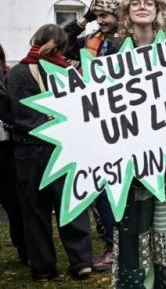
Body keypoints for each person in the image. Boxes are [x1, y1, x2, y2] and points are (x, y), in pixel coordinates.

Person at [6, 25, 93, 281]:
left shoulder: (18, 73)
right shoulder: (68, 73)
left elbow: (10, 110)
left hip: (27, 149)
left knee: (34, 211)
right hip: (63, 145)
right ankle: (81, 262)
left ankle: (43, 268)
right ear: (63, 46)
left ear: (35, 40)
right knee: (71, 204)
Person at [112, 0, 166, 288]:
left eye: (149, 3)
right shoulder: (112, 51)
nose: (142, 7)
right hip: (128, 166)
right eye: (135, 3)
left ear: (158, 10)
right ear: (128, 12)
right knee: (131, 233)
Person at [63, 0, 122, 271]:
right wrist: (84, 19)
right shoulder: (91, 39)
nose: (101, 20)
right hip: (94, 122)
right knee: (100, 186)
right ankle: (112, 241)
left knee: (119, 187)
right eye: (97, 16)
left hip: (123, 124)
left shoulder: (128, 40)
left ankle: (120, 243)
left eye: (105, 15)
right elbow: (58, 43)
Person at [0, 43, 27, 267]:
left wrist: (12, 121)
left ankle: (24, 249)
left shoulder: (9, 77)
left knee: (15, 204)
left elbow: (15, 109)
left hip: (7, 150)